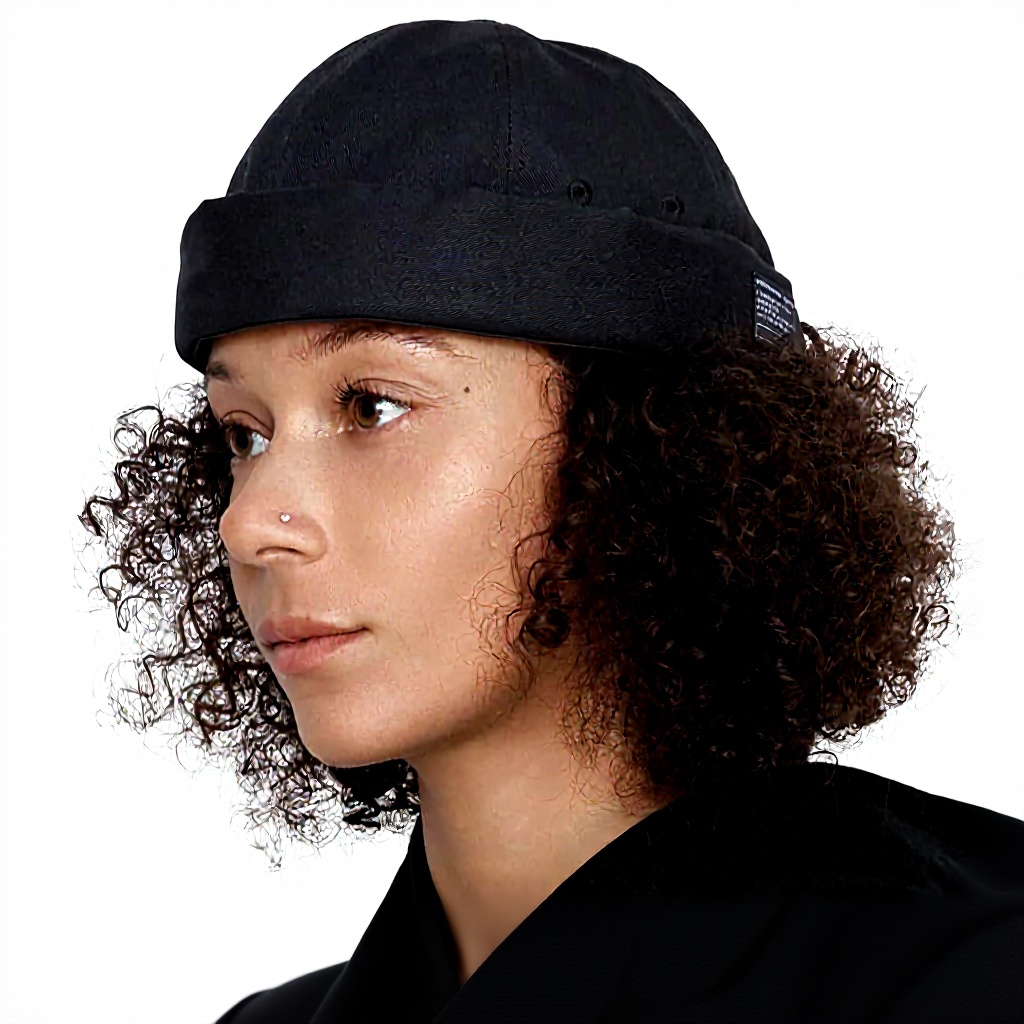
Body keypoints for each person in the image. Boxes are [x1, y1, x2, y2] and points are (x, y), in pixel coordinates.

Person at [78, 18, 1023, 1023]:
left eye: (372, 406)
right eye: (244, 433)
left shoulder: (967, 984)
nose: (250, 523)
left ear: (652, 444)